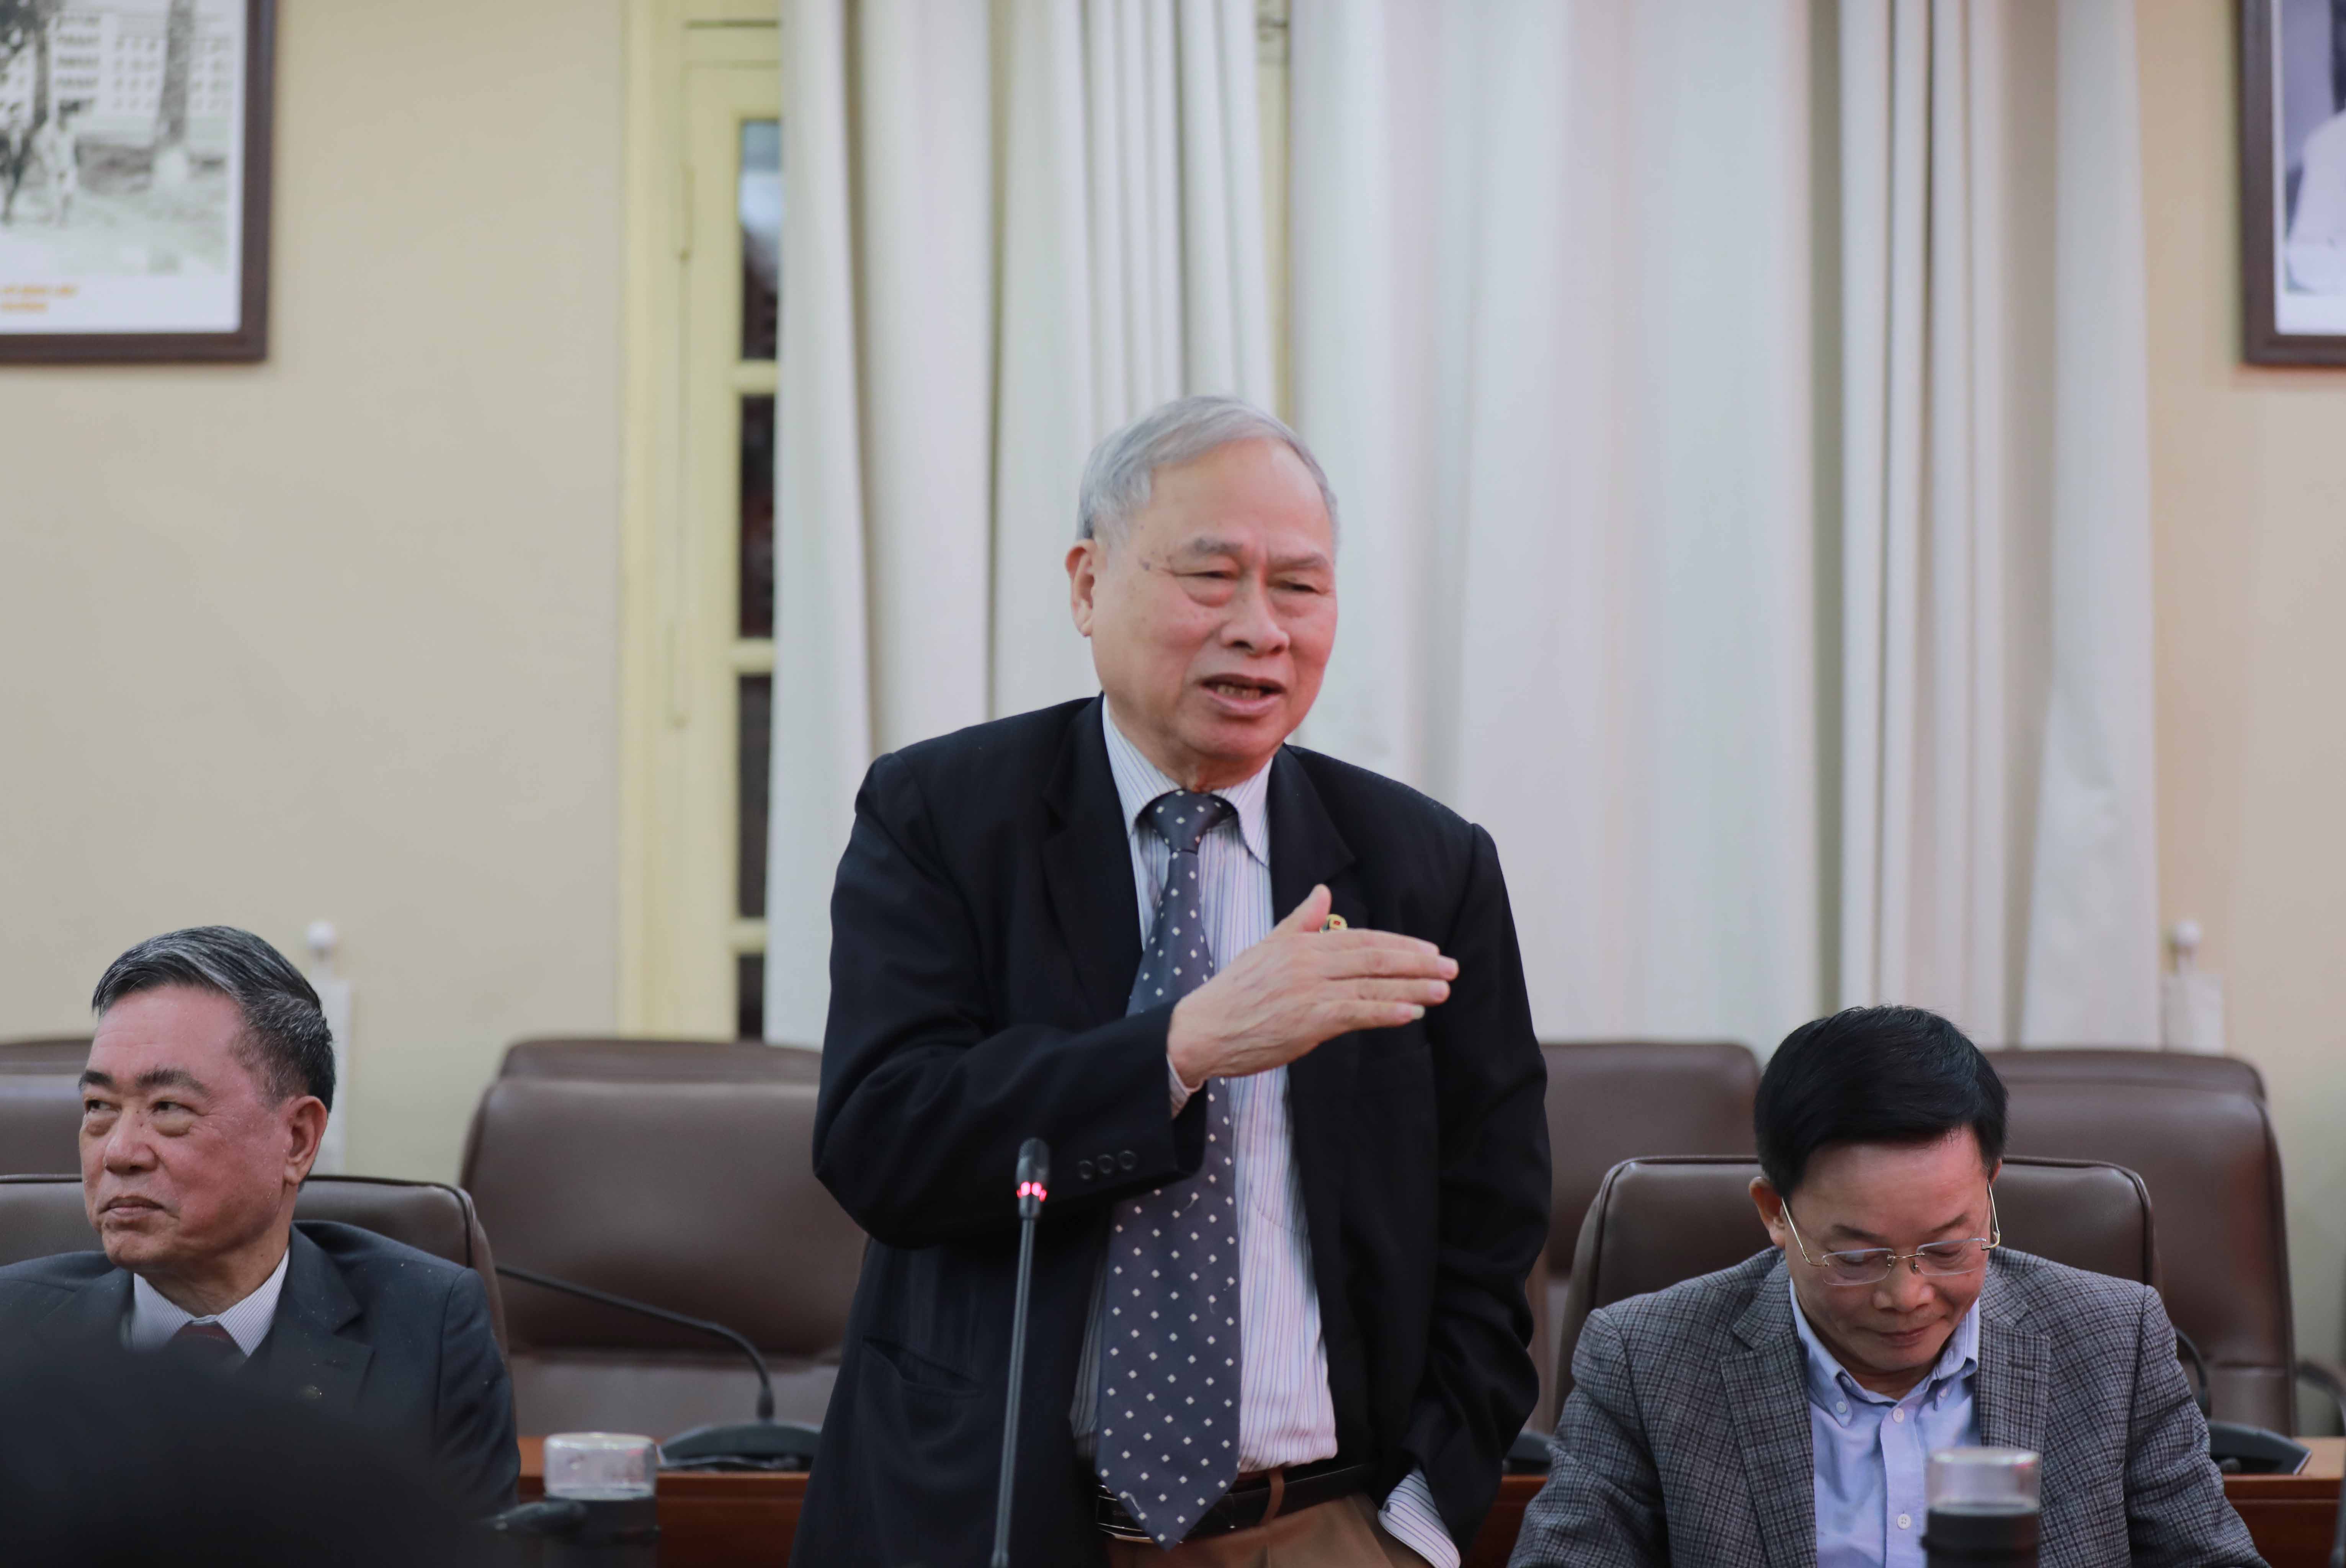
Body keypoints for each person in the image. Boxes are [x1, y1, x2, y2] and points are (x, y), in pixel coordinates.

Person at [795, 395, 1550, 1567]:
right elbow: (885, 1140)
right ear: (1089, 583)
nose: (1260, 629)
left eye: (1299, 587)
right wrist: (1179, 1049)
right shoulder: (946, 815)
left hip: (1322, 1529)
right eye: (1211, 578)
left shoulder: (1425, 865)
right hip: (993, 1521)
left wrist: (1414, 1515)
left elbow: (1494, 1223)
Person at [1509, 1006, 2262, 1568]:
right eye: (1858, 1256)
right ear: (1774, 1213)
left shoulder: (2112, 1340)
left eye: (1947, 1247)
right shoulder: (1647, 1359)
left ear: (1990, 1189)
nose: (1907, 1296)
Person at [0, 926, 518, 1518]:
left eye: (168, 1108)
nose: (119, 1152)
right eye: (99, 1107)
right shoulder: (12, 1329)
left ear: (296, 1139)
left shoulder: (428, 1332)